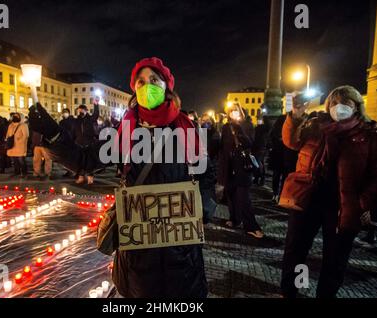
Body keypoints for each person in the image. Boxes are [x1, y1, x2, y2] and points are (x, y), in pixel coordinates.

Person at [112, 57, 208, 298]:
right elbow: (89, 160)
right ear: (134, 89)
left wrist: (203, 207)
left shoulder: (184, 125)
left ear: (167, 85)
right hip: (140, 249)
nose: (147, 87)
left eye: (154, 80)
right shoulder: (126, 127)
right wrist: (52, 134)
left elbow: (205, 170)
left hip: (179, 247)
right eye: (141, 82)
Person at [280, 86, 377, 298]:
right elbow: (291, 141)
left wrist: (364, 203)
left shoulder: (369, 134)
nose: (338, 108)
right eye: (333, 103)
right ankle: (291, 291)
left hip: (343, 207)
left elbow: (375, 176)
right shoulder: (317, 125)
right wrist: (295, 116)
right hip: (308, 199)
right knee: (296, 251)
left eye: (345, 103)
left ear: (357, 107)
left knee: (334, 259)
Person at [219, 103, 263, 239]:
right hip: (228, 167)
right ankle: (235, 219)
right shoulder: (225, 127)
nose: (233, 113)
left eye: (236, 111)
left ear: (241, 112)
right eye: (231, 111)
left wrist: (239, 130)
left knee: (243, 199)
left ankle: (252, 226)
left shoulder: (246, 125)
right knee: (231, 196)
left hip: (242, 167)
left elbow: (250, 143)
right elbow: (223, 146)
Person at [73, 101, 100, 185]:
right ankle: (81, 177)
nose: (80, 112)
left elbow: (96, 114)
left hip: (89, 143)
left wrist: (96, 105)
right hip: (79, 144)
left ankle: (90, 178)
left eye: (82, 110)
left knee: (89, 162)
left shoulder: (90, 119)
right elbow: (74, 131)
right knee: (79, 162)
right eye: (79, 110)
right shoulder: (77, 120)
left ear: (86, 110)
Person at [6, 113, 29, 178]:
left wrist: (20, 141)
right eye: (14, 116)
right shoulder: (10, 125)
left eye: (17, 116)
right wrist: (7, 139)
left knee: (21, 160)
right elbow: (7, 134)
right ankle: (17, 172)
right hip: (12, 145)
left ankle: (24, 173)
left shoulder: (23, 125)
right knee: (14, 160)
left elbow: (26, 135)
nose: (15, 117)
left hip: (20, 146)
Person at [252, 117, 269, 186]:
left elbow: (255, 137)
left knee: (257, 163)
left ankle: (259, 178)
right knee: (260, 162)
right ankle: (260, 178)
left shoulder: (259, 128)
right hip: (262, 147)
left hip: (258, 147)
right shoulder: (266, 129)